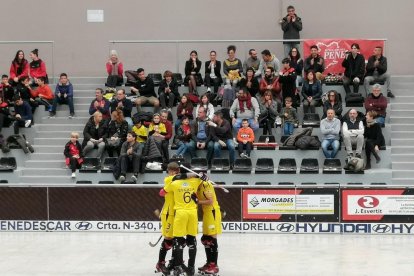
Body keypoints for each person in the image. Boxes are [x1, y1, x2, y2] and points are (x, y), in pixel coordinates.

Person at [163, 166, 204, 275]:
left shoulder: (174, 183)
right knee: (192, 241)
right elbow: (202, 176)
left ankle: (178, 266)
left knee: (178, 241)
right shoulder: (195, 182)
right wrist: (201, 175)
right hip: (192, 213)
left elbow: (162, 192)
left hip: (180, 213)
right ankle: (191, 268)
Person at [197, 178, 222, 275]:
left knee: (212, 239)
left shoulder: (205, 185)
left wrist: (197, 201)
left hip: (212, 212)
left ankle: (214, 266)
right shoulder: (197, 185)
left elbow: (210, 201)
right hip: (206, 213)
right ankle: (208, 263)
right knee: (205, 239)